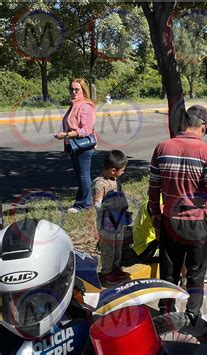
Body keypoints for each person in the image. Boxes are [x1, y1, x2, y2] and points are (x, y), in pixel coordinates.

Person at [149, 105, 207, 320]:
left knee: (169, 271)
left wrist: (155, 213)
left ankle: (165, 311)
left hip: (170, 221)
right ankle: (192, 316)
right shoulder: (206, 151)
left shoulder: (162, 147)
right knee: (196, 273)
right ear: (203, 127)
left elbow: (153, 187)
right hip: (197, 223)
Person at [54, 78, 96, 213]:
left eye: (76, 89)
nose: (73, 92)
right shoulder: (74, 104)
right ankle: (84, 202)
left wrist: (66, 135)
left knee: (84, 175)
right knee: (81, 175)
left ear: (83, 90)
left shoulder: (85, 106)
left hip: (83, 146)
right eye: (71, 89)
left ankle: (83, 205)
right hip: (74, 145)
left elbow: (86, 130)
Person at [92, 150, 130, 286]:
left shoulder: (115, 180)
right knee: (108, 249)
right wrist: (112, 203)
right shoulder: (100, 184)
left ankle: (115, 268)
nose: (123, 172)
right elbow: (97, 204)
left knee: (117, 247)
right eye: (122, 170)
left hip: (118, 221)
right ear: (113, 170)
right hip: (106, 223)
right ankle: (106, 273)